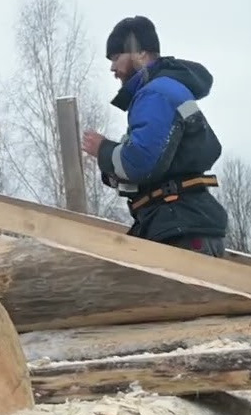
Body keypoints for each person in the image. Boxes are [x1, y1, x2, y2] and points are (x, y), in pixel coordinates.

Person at [82, 16, 229, 256]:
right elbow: (155, 166)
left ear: (140, 53)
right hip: (178, 221)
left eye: (117, 57)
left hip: (178, 226)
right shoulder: (164, 90)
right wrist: (111, 170)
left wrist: (103, 150)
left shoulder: (156, 94)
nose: (112, 68)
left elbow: (140, 162)